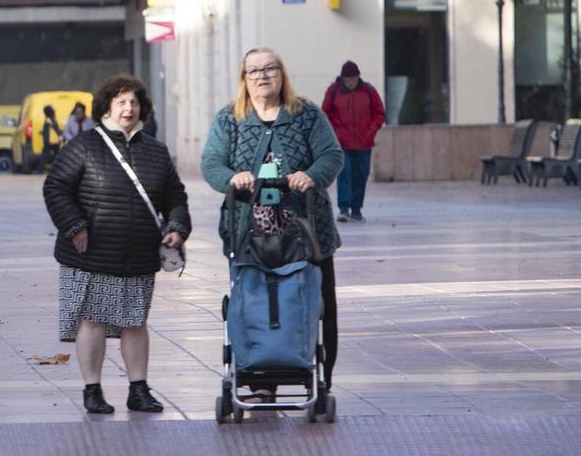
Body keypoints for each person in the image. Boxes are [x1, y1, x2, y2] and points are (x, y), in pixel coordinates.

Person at [201, 47, 344, 403]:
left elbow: (332, 154)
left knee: (315, 301)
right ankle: (261, 381)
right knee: (256, 302)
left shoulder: (306, 114)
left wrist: (310, 176)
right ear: (244, 79)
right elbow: (211, 163)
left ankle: (320, 376)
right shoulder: (229, 119)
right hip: (249, 232)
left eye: (270, 68)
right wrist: (234, 178)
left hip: (306, 228)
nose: (262, 76)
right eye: (254, 71)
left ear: (282, 74)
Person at [43, 74, 190, 414]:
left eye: (134, 102)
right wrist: (75, 225)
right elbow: (55, 188)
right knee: (93, 320)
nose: (128, 108)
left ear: (143, 109)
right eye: (122, 101)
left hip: (138, 254)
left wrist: (177, 228)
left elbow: (175, 197)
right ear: (107, 106)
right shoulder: (84, 145)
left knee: (135, 322)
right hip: (91, 253)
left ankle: (138, 389)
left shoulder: (156, 151)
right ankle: (92, 390)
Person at [321, 60, 385, 222]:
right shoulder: (333, 91)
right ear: (342, 78)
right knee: (344, 173)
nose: (351, 82)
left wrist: (370, 132)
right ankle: (344, 208)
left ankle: (356, 208)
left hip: (364, 142)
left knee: (361, 174)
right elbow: (325, 114)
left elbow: (379, 113)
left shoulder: (368, 91)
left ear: (358, 77)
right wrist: (336, 132)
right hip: (342, 142)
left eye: (354, 79)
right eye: (348, 79)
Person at [36, 104, 63, 173]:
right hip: (55, 141)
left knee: (44, 156)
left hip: (49, 141)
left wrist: (45, 141)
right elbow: (56, 129)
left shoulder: (48, 120)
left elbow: (47, 132)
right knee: (57, 156)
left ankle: (40, 170)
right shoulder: (53, 119)